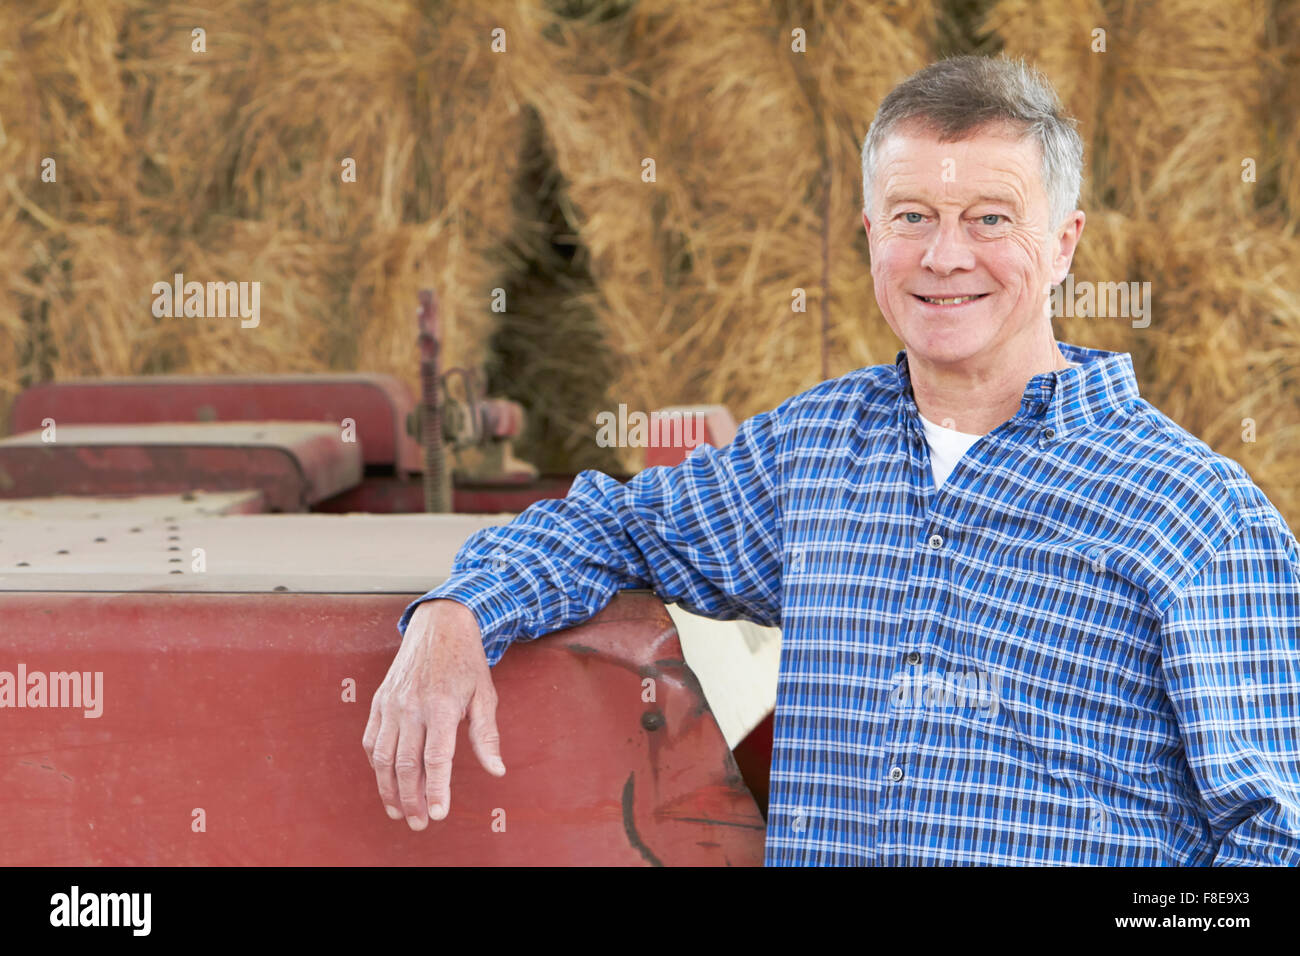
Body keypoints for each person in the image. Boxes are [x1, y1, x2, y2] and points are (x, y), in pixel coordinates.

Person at [363, 55, 1300, 865]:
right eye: (911, 217)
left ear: (1063, 245)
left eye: (989, 219)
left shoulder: (1195, 515)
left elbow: (1277, 837)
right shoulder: (812, 453)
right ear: (869, 237)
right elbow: (612, 524)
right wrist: (456, 615)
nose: (943, 256)